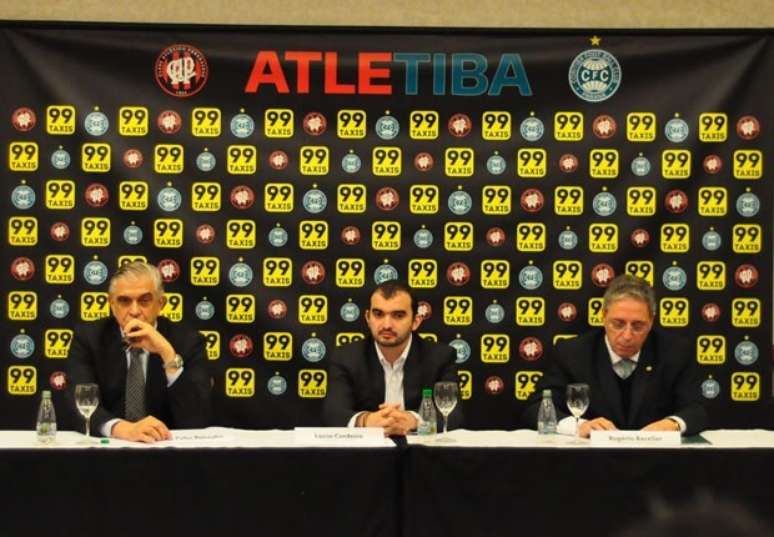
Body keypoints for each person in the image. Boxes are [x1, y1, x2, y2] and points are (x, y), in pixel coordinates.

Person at [523, 274, 708, 437]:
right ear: (604, 316)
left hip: (656, 463)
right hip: (591, 462)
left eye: (638, 326)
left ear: (651, 321)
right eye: (618, 324)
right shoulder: (573, 353)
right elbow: (537, 407)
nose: (627, 336)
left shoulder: (675, 352)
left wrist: (674, 424)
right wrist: (579, 426)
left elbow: (698, 409)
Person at [66, 261, 211, 442]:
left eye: (144, 300)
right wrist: (123, 429)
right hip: (106, 452)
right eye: (124, 301)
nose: (134, 311)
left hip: (167, 454)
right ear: (112, 304)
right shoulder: (89, 338)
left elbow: (196, 419)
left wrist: (168, 354)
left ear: (161, 303)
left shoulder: (188, 341)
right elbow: (77, 405)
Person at [323, 280, 462, 435]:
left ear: (415, 321)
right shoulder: (346, 357)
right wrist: (366, 421)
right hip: (367, 455)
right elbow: (333, 413)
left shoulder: (440, 357)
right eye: (378, 314)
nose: (387, 324)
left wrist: (414, 420)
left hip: (420, 454)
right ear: (368, 318)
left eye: (398, 315)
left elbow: (455, 415)